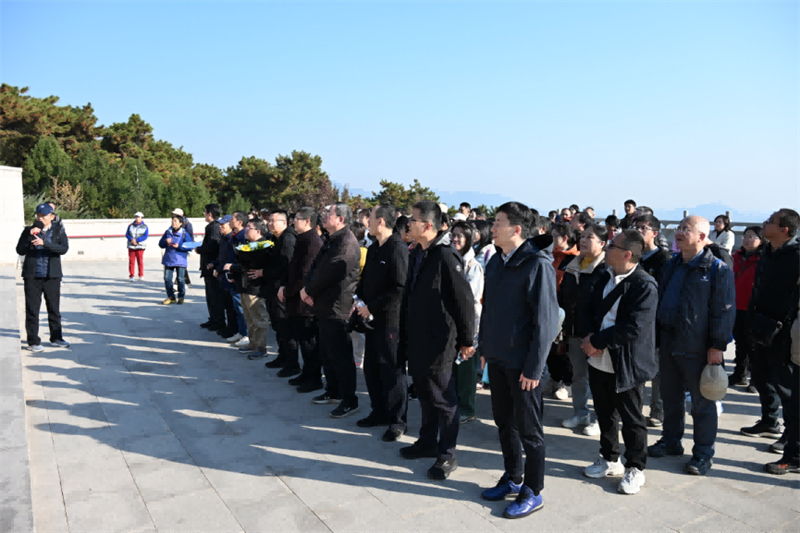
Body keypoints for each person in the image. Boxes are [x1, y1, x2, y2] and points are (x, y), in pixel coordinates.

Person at [478, 203, 558, 518]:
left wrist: (534, 367)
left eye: (498, 223)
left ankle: (533, 490)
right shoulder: (497, 261)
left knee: (530, 431)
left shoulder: (537, 265)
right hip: (498, 358)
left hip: (523, 365)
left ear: (517, 229)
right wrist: (485, 349)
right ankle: (513, 476)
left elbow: (545, 322)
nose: (492, 228)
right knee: (504, 423)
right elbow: (489, 310)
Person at [648, 216, 735, 476]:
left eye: (686, 229)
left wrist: (717, 346)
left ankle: (703, 454)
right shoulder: (672, 264)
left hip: (699, 347)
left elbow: (724, 310)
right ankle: (671, 441)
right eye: (679, 227)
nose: (679, 232)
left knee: (702, 404)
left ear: (702, 237)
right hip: (669, 341)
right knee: (670, 397)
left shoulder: (717, 269)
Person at [399, 200, 475, 481]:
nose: (409, 224)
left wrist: (467, 340)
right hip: (418, 337)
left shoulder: (445, 255)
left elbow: (464, 301)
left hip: (440, 340)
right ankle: (427, 441)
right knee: (424, 393)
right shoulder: (419, 251)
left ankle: (447, 454)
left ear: (428, 225)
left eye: (413, 220)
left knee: (443, 398)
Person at [580, 229, 658, 495]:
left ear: (627, 254)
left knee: (632, 417)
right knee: (604, 412)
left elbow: (634, 327)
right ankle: (609, 458)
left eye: (612, 246)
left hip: (626, 362)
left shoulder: (644, 285)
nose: (607, 248)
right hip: (598, 357)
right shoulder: (605, 276)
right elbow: (589, 309)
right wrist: (589, 337)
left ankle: (635, 467)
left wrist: (597, 341)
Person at [743, 209, 800, 458]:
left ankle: (791, 434)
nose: (764, 224)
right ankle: (769, 420)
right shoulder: (767, 251)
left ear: (784, 229)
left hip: (783, 329)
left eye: (770, 222)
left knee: (785, 384)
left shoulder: (796, 255)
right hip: (759, 322)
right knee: (760, 375)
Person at [301, 203, 362, 418]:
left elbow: (331, 273)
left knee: (341, 355)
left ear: (341, 219)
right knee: (327, 352)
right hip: (323, 304)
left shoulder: (347, 242)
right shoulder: (331, 239)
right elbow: (316, 267)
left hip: (337, 307)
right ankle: (333, 390)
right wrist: (308, 288)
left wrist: (309, 290)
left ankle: (349, 399)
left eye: (329, 213)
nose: (324, 216)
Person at [355, 204, 410, 441]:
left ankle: (397, 421)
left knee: (392, 370)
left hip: (391, 321)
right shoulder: (374, 247)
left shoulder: (397, 248)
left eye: (370, 218)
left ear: (381, 221)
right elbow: (366, 280)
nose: (367, 221)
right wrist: (358, 300)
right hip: (371, 319)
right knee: (372, 367)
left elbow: (400, 288)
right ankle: (378, 411)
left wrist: (372, 306)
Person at [558, 224, 608, 436]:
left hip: (596, 335)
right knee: (578, 375)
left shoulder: (607, 269)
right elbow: (563, 297)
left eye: (590, 237)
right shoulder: (572, 265)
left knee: (599, 380)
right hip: (573, 330)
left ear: (602, 243)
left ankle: (601, 419)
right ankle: (580, 413)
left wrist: (597, 335)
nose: (584, 241)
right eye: (583, 237)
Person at [279, 207, 325, 393]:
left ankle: (314, 378)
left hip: (305, 302)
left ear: (307, 221)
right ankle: (306, 373)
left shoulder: (313, 242)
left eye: (297, 219)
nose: (293, 222)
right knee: (303, 340)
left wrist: (287, 290)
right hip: (296, 300)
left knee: (309, 342)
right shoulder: (302, 239)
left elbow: (305, 275)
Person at [16, 203, 70, 352]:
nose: (40, 218)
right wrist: (29, 236)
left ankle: (56, 338)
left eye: (43, 216)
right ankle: (33, 341)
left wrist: (44, 243)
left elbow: (63, 249)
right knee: (32, 310)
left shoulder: (58, 230)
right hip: (32, 276)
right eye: (38, 216)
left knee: (54, 309)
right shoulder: (28, 230)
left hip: (52, 276)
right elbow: (20, 250)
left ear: (52, 216)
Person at [634, 214, 671, 427]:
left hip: (656, 323)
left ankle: (658, 409)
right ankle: (634, 408)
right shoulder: (634, 256)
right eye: (636, 227)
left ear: (655, 233)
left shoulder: (664, 259)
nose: (639, 231)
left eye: (643, 228)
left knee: (657, 370)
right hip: (635, 322)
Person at [450, 221, 483, 425]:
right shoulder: (451, 259)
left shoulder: (473, 266)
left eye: (460, 236)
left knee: (466, 369)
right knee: (453, 369)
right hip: (451, 323)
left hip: (468, 325)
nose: (455, 239)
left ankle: (467, 408)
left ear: (469, 239)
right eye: (453, 235)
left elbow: (470, 300)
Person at [257, 210, 298, 375]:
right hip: (272, 289)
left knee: (285, 327)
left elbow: (286, 267)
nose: (269, 224)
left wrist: (264, 272)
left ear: (284, 222)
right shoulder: (274, 238)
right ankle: (283, 356)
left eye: (273, 221)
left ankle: (292, 363)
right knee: (277, 325)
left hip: (282, 290)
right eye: (269, 221)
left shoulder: (288, 239)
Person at [228, 220, 271, 360]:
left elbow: (251, 265)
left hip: (256, 288)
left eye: (249, 229)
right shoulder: (250, 245)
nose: (246, 231)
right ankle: (252, 344)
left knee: (259, 319)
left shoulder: (264, 246)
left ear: (258, 231)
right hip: (245, 286)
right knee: (249, 317)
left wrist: (233, 267)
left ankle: (261, 347)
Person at [729, 226, 763, 388]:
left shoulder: (764, 258)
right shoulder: (736, 256)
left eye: (752, 236)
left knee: (754, 346)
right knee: (740, 343)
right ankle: (739, 374)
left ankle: (756, 380)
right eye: (745, 236)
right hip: (736, 306)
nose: (747, 240)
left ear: (761, 240)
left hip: (754, 308)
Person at [219, 212, 250, 346]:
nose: (230, 221)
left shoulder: (243, 236)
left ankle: (247, 334)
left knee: (243, 308)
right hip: (232, 275)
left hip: (239, 277)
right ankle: (241, 332)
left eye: (233, 219)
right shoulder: (234, 236)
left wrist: (234, 269)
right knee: (237, 307)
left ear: (239, 222)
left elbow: (244, 260)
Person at [196, 204, 226, 332]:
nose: (204, 214)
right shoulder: (213, 226)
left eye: (205, 212)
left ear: (209, 214)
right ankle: (213, 319)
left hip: (211, 266)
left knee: (215, 296)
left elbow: (213, 245)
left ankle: (218, 321)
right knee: (211, 295)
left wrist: (200, 249)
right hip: (209, 266)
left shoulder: (213, 227)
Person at [159, 215, 189, 305]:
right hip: (169, 259)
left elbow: (189, 246)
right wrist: (165, 241)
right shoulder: (167, 232)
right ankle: (171, 296)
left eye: (175, 221)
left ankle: (181, 296)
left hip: (180, 259)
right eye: (172, 220)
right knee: (167, 278)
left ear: (180, 223)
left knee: (180, 279)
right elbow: (160, 244)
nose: (173, 222)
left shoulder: (184, 233)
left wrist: (179, 246)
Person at [172, 208, 193, 287]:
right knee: (181, 265)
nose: (173, 216)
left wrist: (188, 247)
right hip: (175, 247)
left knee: (180, 265)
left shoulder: (187, 224)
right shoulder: (173, 223)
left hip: (183, 247)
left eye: (175, 214)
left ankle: (176, 283)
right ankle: (187, 282)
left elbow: (190, 236)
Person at [125, 212, 148, 281]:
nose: (137, 218)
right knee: (131, 261)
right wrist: (132, 239)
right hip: (131, 246)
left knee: (140, 261)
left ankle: (141, 275)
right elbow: (127, 234)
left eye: (138, 217)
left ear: (142, 218)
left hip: (140, 246)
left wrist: (137, 240)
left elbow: (145, 236)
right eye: (136, 217)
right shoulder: (130, 225)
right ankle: (131, 275)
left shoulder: (145, 226)